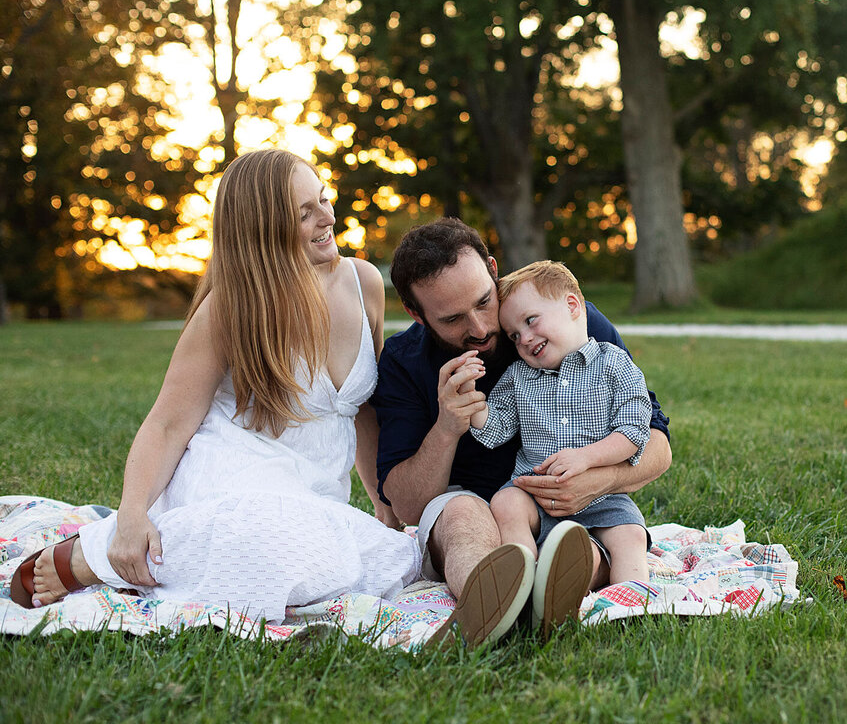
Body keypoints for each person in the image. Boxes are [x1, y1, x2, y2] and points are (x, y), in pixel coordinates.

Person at [10, 151, 526, 647]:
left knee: (385, 561)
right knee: (261, 536)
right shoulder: (232, 306)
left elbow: (364, 411)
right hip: (231, 479)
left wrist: (381, 507)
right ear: (266, 227)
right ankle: (88, 555)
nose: (327, 216)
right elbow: (168, 423)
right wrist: (130, 516)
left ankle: (173, 549)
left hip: (314, 496)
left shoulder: (362, 282)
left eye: (323, 199)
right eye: (306, 212)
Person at [373, 218, 671, 638]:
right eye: (453, 319)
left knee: (574, 541)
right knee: (461, 517)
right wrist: (447, 426)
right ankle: (497, 604)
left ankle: (553, 589)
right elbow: (406, 505)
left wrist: (592, 481)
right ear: (416, 315)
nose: (479, 329)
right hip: (474, 501)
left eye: (483, 302)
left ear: (493, 270)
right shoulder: (404, 362)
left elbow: (655, 443)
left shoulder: (561, 321)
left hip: (572, 500)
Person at [467, 261, 652, 622]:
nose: (524, 338)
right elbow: (497, 428)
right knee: (506, 501)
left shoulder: (614, 363)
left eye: (530, 321)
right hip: (535, 493)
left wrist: (587, 459)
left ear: (571, 306)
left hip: (604, 496)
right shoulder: (518, 377)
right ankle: (521, 577)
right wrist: (475, 408)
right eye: (514, 335)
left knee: (629, 534)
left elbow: (634, 428)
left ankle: (632, 605)